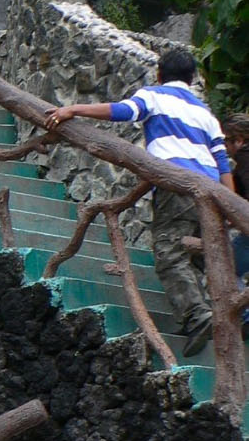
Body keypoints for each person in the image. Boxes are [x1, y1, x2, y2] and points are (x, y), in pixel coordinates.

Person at [45, 48, 234, 358]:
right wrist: (231, 205)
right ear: (192, 79)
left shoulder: (154, 96)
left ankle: (197, 316)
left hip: (178, 183)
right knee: (205, 253)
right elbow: (223, 163)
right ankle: (228, 313)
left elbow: (122, 111)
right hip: (212, 190)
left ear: (159, 74)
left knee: (169, 251)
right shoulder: (206, 113)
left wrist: (73, 110)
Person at [225, 113, 249, 288]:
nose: (225, 149)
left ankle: (246, 315)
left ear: (239, 140)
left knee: (227, 270)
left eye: (226, 142)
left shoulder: (244, 156)